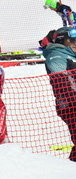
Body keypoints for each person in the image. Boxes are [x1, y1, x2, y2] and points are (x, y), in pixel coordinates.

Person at [43, 26, 76, 162]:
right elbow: (62, 82)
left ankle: (69, 168)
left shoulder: (70, 55)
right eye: (71, 40)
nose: (75, 43)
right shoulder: (56, 56)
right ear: (63, 40)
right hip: (70, 104)